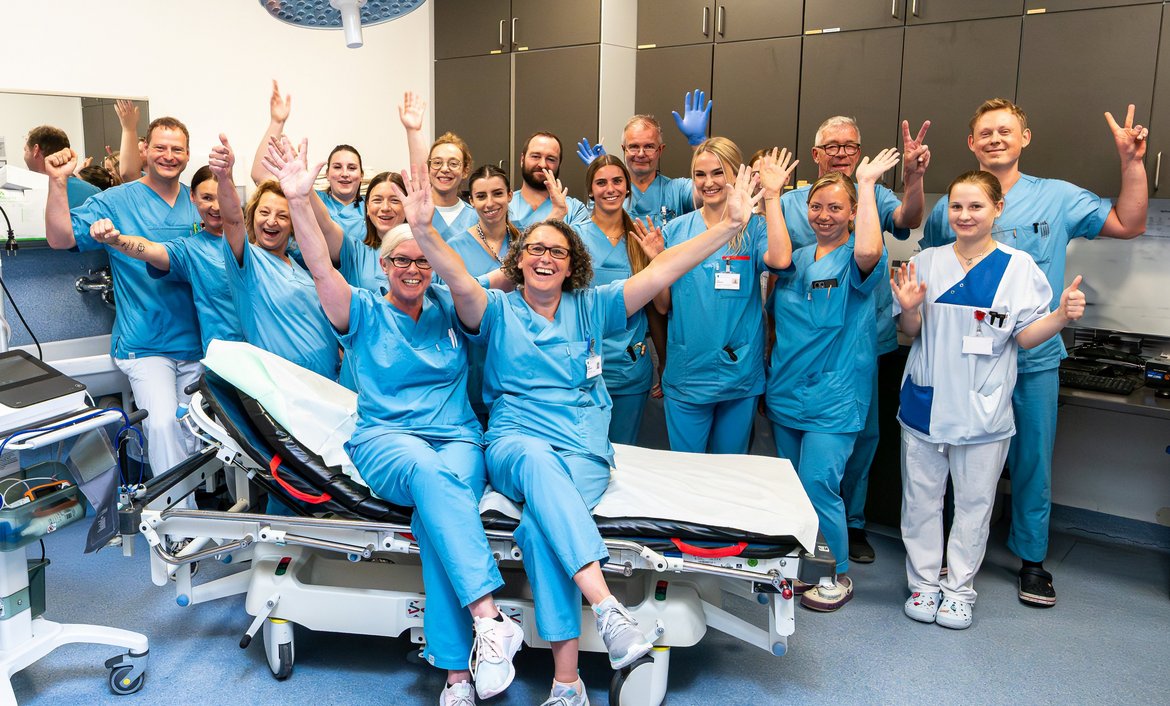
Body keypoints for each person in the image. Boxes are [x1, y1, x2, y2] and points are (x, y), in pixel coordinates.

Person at [396, 158, 762, 706]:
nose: (545, 258)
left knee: (544, 532)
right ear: (519, 261)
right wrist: (424, 231)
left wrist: (729, 227)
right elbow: (454, 277)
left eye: (557, 251)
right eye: (535, 250)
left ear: (573, 265)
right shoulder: (494, 309)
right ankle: (609, 608)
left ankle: (567, 684)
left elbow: (661, 271)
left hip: (584, 449)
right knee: (539, 467)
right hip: (517, 442)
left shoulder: (592, 307)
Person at [262, 136, 523, 705]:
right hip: (386, 440)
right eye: (400, 259)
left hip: (457, 436)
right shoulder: (361, 309)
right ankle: (488, 616)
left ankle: (456, 675)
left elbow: (473, 281)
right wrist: (300, 201)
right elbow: (318, 266)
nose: (411, 267)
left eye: (421, 259)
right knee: (433, 480)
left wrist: (427, 231)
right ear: (382, 265)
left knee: (437, 520)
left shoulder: (454, 308)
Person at [920, 98, 1148, 607]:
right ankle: (949, 560)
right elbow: (932, 266)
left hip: (1032, 358)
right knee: (955, 459)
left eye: (1007, 130)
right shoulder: (950, 205)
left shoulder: (1058, 198)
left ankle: (1031, 560)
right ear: (971, 143)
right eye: (986, 132)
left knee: (1030, 461)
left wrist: (1132, 164)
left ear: (1026, 138)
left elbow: (1129, 224)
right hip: (965, 365)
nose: (996, 138)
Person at [895, 170, 1086, 629]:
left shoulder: (1019, 268)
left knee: (975, 505)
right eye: (957, 206)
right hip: (926, 399)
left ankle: (959, 589)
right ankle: (923, 584)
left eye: (976, 206)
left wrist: (1060, 316)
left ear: (997, 209)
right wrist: (908, 308)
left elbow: (1024, 338)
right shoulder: (927, 262)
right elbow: (911, 333)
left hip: (984, 406)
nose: (964, 215)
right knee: (921, 501)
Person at [777, 115, 931, 565]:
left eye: (851, 145)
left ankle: (846, 539)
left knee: (848, 453)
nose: (842, 152)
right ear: (816, 153)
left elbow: (905, 220)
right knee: (801, 476)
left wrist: (905, 180)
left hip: (853, 355)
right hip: (794, 368)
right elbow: (772, 259)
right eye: (833, 145)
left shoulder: (872, 201)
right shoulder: (792, 218)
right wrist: (766, 194)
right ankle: (803, 554)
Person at [765, 149, 899, 612]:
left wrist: (864, 186)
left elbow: (867, 248)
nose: (824, 216)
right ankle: (803, 565)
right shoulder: (796, 259)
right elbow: (775, 258)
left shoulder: (859, 260)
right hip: (785, 388)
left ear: (853, 214)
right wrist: (772, 194)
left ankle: (836, 571)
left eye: (835, 208)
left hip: (835, 395)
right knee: (794, 487)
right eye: (817, 207)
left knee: (820, 482)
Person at [42, 117, 202, 479]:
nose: (168, 155)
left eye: (177, 149)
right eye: (160, 147)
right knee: (161, 426)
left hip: (197, 342)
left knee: (196, 433)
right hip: (146, 345)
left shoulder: (197, 202)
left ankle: (197, 515)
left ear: (188, 154)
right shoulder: (115, 201)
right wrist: (57, 182)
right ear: (144, 150)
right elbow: (60, 237)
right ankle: (176, 524)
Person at [656, 137, 788, 454]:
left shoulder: (753, 228)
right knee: (686, 479)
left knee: (729, 477)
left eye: (718, 173)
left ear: (735, 175)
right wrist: (657, 260)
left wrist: (771, 196)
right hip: (688, 372)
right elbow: (663, 306)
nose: (709, 182)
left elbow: (781, 261)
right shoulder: (675, 230)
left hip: (738, 372)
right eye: (700, 174)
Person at [213, 135, 340, 382]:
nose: (272, 221)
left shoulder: (301, 267)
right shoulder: (247, 263)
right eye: (264, 212)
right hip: (286, 386)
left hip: (329, 379)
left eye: (282, 215)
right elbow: (232, 220)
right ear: (253, 216)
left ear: (292, 224)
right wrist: (225, 177)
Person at [86, 165, 245, 355]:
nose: (217, 206)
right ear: (192, 197)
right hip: (226, 356)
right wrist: (116, 240)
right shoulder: (192, 249)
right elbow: (152, 250)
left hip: (266, 348)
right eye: (207, 198)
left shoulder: (254, 240)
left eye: (223, 196)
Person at [577, 155, 666, 444]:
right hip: (582, 367)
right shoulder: (574, 238)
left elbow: (658, 307)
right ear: (590, 191)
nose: (610, 188)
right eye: (601, 182)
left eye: (617, 181)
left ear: (628, 187)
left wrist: (664, 361)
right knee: (586, 451)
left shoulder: (641, 238)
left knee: (625, 456)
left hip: (629, 365)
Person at [444, 165, 520, 422]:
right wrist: (490, 282)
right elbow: (447, 301)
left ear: (510, 195)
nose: (490, 203)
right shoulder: (455, 247)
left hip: (518, 359)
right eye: (481, 196)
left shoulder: (527, 241)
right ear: (471, 200)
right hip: (475, 360)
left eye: (498, 193)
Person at [576, 90, 713, 227]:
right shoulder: (612, 191)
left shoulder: (677, 190)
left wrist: (698, 142)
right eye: (634, 146)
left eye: (649, 147)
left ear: (660, 150)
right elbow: (594, 228)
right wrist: (601, 171)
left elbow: (709, 190)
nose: (641, 154)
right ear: (624, 149)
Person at [250, 80, 366, 238]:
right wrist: (277, 122)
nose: (344, 173)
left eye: (351, 168)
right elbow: (260, 176)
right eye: (337, 167)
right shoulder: (309, 197)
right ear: (327, 174)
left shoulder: (373, 205)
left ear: (362, 175)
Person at [399, 92, 481, 240]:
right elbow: (420, 172)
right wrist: (413, 131)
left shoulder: (476, 217)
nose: (444, 169)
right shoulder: (416, 211)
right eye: (437, 162)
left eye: (453, 163)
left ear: (465, 170)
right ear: (429, 168)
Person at [509, 132, 591, 229]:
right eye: (535, 156)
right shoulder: (504, 206)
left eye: (551, 159)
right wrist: (557, 214)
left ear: (559, 164)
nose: (542, 164)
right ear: (522, 160)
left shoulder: (574, 210)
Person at [24, 125, 100, 208]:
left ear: (36, 150)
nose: (24, 154)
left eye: (26, 150)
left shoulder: (32, 194)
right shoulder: (95, 192)